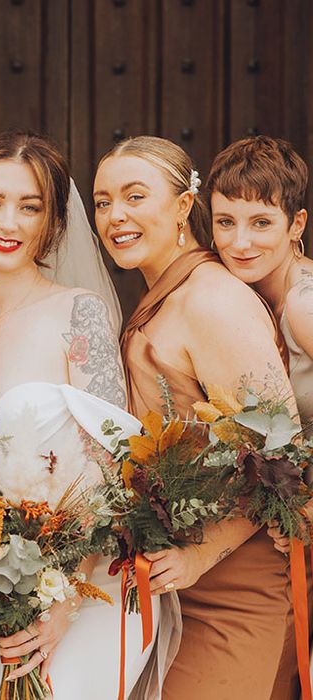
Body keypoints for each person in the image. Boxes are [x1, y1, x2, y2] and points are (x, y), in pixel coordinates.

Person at [0, 131, 156, 699]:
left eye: (29, 207)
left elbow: (117, 466)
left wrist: (65, 597)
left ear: (51, 224)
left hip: (79, 589)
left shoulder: (77, 313)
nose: (8, 222)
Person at [94, 135, 296, 699]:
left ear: (185, 206)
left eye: (135, 196)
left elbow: (282, 457)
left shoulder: (211, 300)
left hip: (232, 584)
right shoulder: (161, 292)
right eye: (103, 201)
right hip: (172, 579)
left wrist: (204, 552)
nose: (117, 216)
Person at [207, 134, 312, 698]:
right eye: (225, 222)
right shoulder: (247, 300)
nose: (239, 241)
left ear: (297, 223)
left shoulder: (302, 301)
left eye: (260, 222)